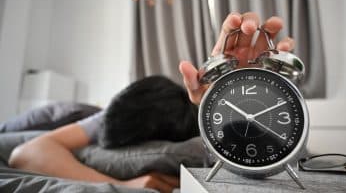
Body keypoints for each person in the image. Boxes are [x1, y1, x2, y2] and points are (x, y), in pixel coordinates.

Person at [8, 12, 295, 193]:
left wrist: (247, 95)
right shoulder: (112, 115)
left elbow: (282, 154)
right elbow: (25, 152)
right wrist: (120, 185)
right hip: (62, 116)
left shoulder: (177, 121)